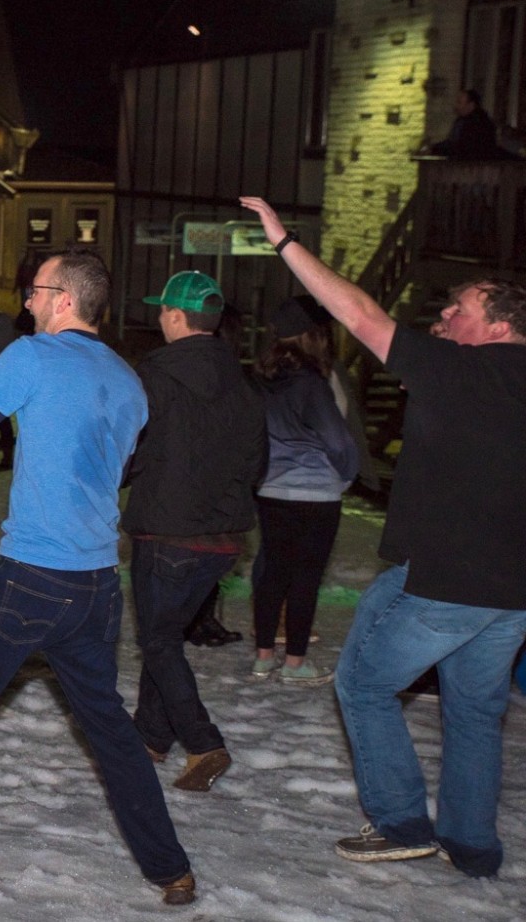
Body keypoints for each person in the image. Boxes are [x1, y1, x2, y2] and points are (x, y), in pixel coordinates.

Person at [0, 248, 197, 912]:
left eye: (34, 290)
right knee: (109, 726)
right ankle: (171, 868)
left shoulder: (32, 356)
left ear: (63, 299)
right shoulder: (128, 379)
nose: (24, 301)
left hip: (33, 579)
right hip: (96, 586)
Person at [243, 197, 526, 876]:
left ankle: (401, 820)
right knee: (474, 713)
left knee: (365, 685)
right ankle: (472, 843)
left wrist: (284, 243)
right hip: (511, 593)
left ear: (499, 325)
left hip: (447, 581)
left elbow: (361, 314)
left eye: (458, 309)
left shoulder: (462, 370)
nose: (442, 318)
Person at [122, 270, 267, 793]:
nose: (159, 318)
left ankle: (203, 741)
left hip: (166, 530)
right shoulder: (245, 382)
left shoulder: (155, 377)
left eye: (162, 310)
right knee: (166, 638)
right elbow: (257, 460)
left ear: (177, 316)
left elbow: (132, 448)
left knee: (159, 640)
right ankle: (149, 737)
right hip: (222, 538)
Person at [250, 295, 360, 686]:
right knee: (305, 578)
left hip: (272, 490)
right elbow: (338, 439)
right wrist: (347, 475)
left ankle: (263, 657)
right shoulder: (313, 385)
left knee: (273, 573)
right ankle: (295, 662)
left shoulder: (263, 381)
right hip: (316, 494)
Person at [427, 89, 510, 160]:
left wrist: (435, 149)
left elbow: (461, 147)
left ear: (471, 105)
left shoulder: (478, 124)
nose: (456, 106)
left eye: (459, 102)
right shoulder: (462, 121)